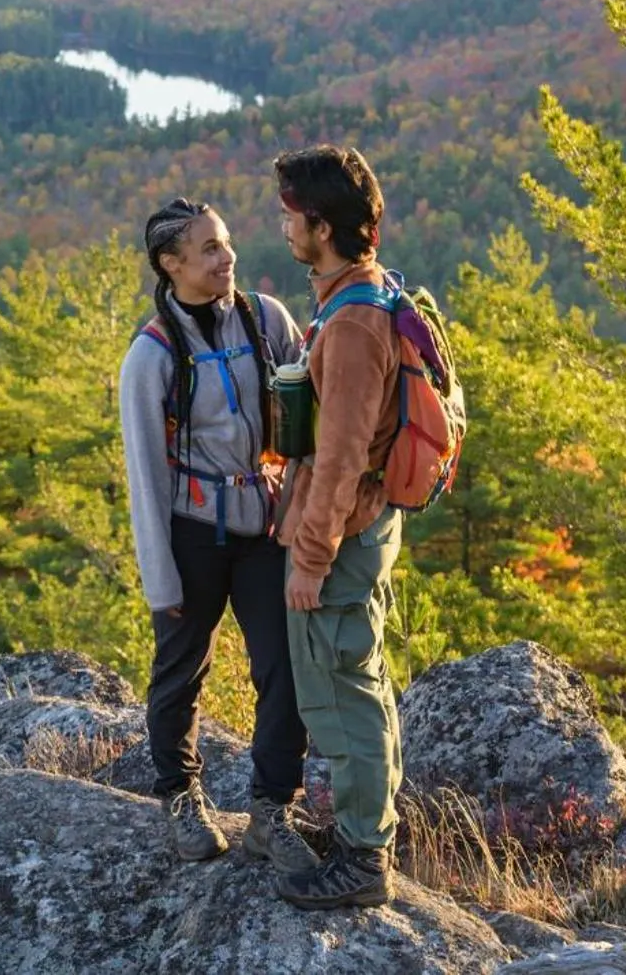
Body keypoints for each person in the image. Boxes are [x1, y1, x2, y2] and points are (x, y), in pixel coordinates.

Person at [121, 197, 319, 876]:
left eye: (226, 241)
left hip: (263, 525)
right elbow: (146, 476)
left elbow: (308, 416)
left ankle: (272, 810)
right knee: (181, 672)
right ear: (170, 264)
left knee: (285, 665)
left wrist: (302, 509)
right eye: (208, 248)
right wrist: (161, 579)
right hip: (191, 534)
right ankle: (181, 797)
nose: (227, 256)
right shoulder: (151, 356)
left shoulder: (267, 319)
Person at [270, 144, 404, 910]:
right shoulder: (364, 293)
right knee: (362, 680)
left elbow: (342, 455)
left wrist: (311, 557)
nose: (284, 226)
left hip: (343, 535)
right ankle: (366, 834)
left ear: (322, 226)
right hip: (361, 526)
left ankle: (363, 858)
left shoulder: (352, 325)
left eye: (292, 214)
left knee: (345, 693)